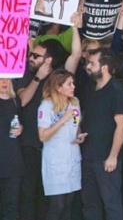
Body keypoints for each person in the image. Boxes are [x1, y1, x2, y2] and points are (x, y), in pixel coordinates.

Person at [17, 14, 81, 220]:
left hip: (55, 150)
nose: (30, 57)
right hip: (30, 145)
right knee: (28, 192)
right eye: (31, 54)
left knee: (55, 199)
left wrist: (75, 25)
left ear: (49, 60)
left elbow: (76, 55)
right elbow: (23, 101)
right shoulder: (26, 75)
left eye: (36, 55)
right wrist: (38, 78)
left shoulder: (59, 79)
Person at [80, 48, 123, 220]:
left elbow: (122, 125)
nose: (88, 66)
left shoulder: (117, 90)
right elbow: (85, 117)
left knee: (111, 204)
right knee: (89, 203)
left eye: (92, 63)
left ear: (104, 67)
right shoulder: (90, 88)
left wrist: (113, 156)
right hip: (87, 155)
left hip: (106, 158)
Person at [37, 69, 84, 220]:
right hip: (56, 160)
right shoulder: (46, 106)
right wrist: (62, 119)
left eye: (73, 83)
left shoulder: (74, 104)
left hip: (72, 158)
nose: (73, 87)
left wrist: (79, 136)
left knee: (69, 203)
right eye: (69, 84)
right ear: (58, 87)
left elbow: (77, 125)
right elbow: (43, 135)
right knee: (57, 205)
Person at [0, 78, 23, 220]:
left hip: (12, 158)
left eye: (7, 79)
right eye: (1, 78)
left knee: (11, 204)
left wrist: (21, 128)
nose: (4, 82)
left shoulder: (15, 101)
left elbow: (20, 122)